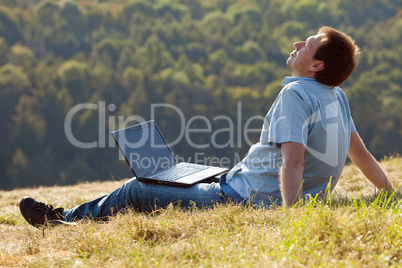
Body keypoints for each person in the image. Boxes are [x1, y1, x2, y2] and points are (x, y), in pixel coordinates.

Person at [19, 26, 395, 227]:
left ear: (316, 66)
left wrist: (291, 217)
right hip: (245, 184)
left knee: (137, 189)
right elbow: (359, 153)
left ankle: (63, 221)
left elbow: (292, 163)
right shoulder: (336, 97)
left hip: (248, 200)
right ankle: (175, 182)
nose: (297, 43)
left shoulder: (297, 95)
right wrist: (390, 193)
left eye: (307, 44)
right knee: (179, 177)